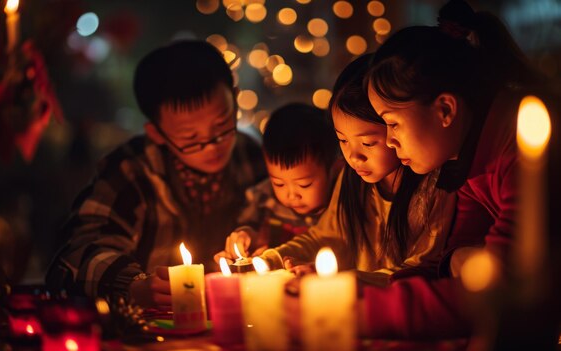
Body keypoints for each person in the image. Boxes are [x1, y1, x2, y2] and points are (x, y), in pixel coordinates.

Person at [360, 0, 556, 340]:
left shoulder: (524, 149)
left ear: (445, 109)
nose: (389, 141)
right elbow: (454, 256)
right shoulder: (471, 152)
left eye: (393, 123)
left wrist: (357, 310)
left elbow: (497, 294)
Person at [45, 40, 267, 307]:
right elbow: (75, 258)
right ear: (157, 134)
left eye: (223, 124)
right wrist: (133, 285)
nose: (213, 146)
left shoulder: (249, 154)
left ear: (234, 96)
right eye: (190, 138)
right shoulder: (130, 172)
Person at [221, 54, 456, 287]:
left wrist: (347, 280)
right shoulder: (352, 179)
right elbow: (325, 236)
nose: (354, 156)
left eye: (367, 143)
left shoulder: (435, 186)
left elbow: (421, 269)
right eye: (343, 141)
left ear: (394, 126)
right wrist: (269, 260)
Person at [214, 103, 342, 264]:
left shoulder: (341, 205)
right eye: (279, 183)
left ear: (335, 169)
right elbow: (249, 225)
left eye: (304, 185)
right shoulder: (263, 198)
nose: (291, 195)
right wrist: (245, 236)